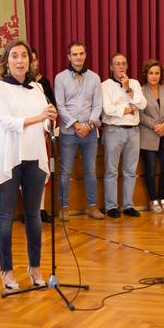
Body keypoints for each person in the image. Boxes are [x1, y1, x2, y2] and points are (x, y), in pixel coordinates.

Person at [0, 40, 57, 292]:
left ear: (30, 61)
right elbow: (6, 121)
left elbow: (45, 125)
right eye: (15, 56)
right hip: (10, 158)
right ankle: (6, 270)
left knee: (34, 216)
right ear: (7, 61)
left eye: (24, 56)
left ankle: (35, 266)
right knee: (6, 215)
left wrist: (50, 118)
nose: (20, 60)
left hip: (34, 156)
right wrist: (39, 117)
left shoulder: (37, 88)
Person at [53, 41, 104, 220]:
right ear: (69, 57)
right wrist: (76, 125)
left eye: (81, 53)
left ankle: (92, 206)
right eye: (75, 54)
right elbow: (60, 106)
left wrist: (88, 126)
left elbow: (98, 105)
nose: (78, 57)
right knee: (65, 171)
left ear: (85, 55)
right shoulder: (60, 78)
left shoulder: (95, 78)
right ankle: (64, 207)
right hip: (68, 132)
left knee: (90, 170)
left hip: (89, 132)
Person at [99, 52, 144, 217]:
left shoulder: (135, 83)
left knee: (130, 171)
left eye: (123, 63)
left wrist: (128, 89)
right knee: (111, 170)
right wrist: (130, 108)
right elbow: (108, 110)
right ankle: (111, 206)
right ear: (111, 67)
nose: (121, 67)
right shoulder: (105, 85)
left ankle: (128, 205)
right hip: (113, 131)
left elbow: (142, 103)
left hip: (134, 131)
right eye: (117, 64)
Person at [137, 60, 164, 212]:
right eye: (151, 73)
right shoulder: (140, 91)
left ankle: (162, 198)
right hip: (148, 135)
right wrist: (155, 125)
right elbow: (139, 114)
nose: (154, 76)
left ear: (161, 75)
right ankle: (153, 200)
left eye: (157, 73)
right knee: (150, 169)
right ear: (146, 75)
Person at [29, 48, 55, 224]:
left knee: (43, 171)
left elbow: (52, 107)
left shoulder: (42, 83)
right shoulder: (12, 85)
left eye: (34, 60)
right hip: (26, 133)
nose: (32, 64)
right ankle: (29, 209)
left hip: (43, 134)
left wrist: (49, 130)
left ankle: (41, 208)